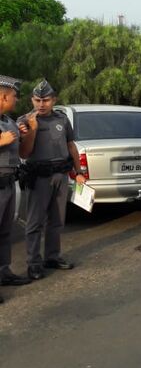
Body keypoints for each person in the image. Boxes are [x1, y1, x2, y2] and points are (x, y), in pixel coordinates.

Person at [18, 80, 85, 280]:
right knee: (35, 222)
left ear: (53, 100)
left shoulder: (62, 119)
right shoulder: (25, 120)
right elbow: (24, 151)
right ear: (32, 100)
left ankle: (52, 257)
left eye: (45, 100)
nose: (41, 104)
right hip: (38, 177)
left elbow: (71, 145)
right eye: (37, 100)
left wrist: (78, 171)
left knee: (56, 221)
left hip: (61, 175)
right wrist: (32, 129)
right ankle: (33, 263)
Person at [0, 76, 31, 302]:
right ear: (3, 96)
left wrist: (26, 134)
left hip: (10, 183)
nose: (16, 100)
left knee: (5, 231)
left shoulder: (9, 123)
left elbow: (23, 153)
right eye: (14, 96)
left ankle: (4, 272)